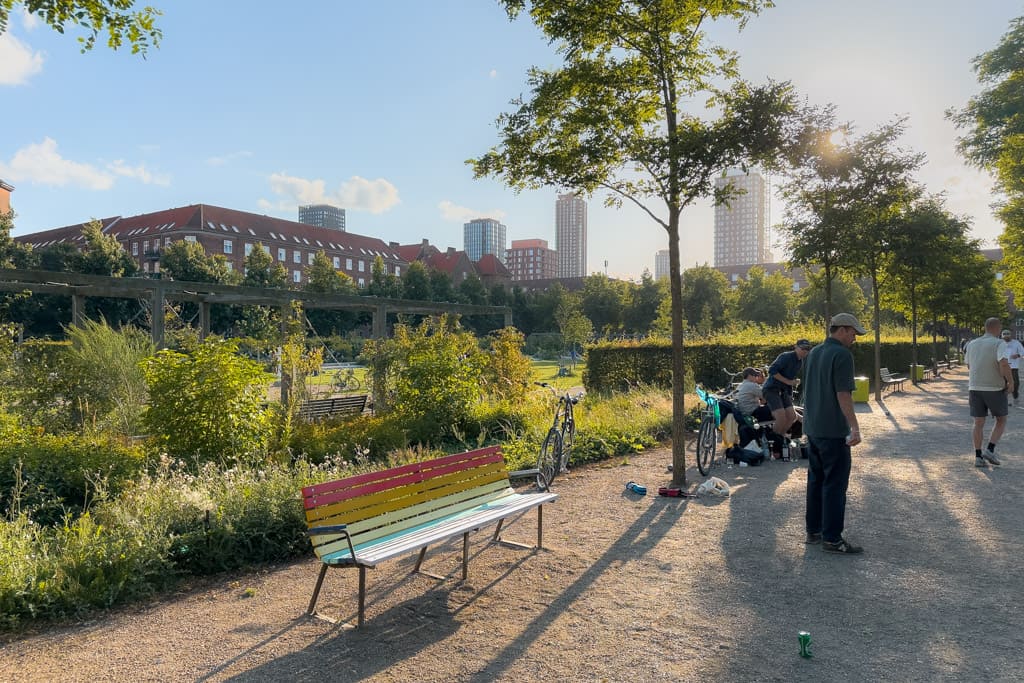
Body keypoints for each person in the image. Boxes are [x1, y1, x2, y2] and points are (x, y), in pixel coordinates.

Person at [802, 312, 866, 555]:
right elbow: (843, 393)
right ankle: (832, 538)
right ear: (843, 330)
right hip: (833, 429)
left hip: (814, 427)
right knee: (835, 484)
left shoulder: (814, 352)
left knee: (815, 480)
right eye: (853, 333)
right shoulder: (842, 355)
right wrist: (854, 426)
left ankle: (814, 530)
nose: (855, 338)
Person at [966, 318, 1013, 467]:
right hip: (994, 388)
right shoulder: (1000, 343)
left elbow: (969, 365)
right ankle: (990, 450)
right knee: (1001, 419)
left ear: (985, 328)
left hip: (974, 387)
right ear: (998, 328)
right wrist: (1010, 382)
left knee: (978, 422)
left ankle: (978, 456)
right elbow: (1004, 364)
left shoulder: (972, 344)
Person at [762, 339, 812, 447]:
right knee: (781, 418)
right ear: (796, 347)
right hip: (771, 389)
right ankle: (772, 442)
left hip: (783, 391)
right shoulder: (786, 356)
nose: (805, 351)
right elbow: (772, 371)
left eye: (807, 349)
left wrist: (791, 389)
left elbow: (789, 379)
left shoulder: (800, 361)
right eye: (802, 348)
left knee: (792, 416)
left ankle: (778, 440)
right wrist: (789, 382)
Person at [1000, 330, 1024, 408]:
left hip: (1013, 366)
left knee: (1015, 383)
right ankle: (1004, 400)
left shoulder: (1016, 343)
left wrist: (1018, 355)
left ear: (1010, 335)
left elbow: (1022, 351)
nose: (1006, 338)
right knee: (1003, 383)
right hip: (1003, 366)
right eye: (1004, 337)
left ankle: (1015, 396)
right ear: (1002, 336)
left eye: (1007, 336)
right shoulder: (1000, 343)